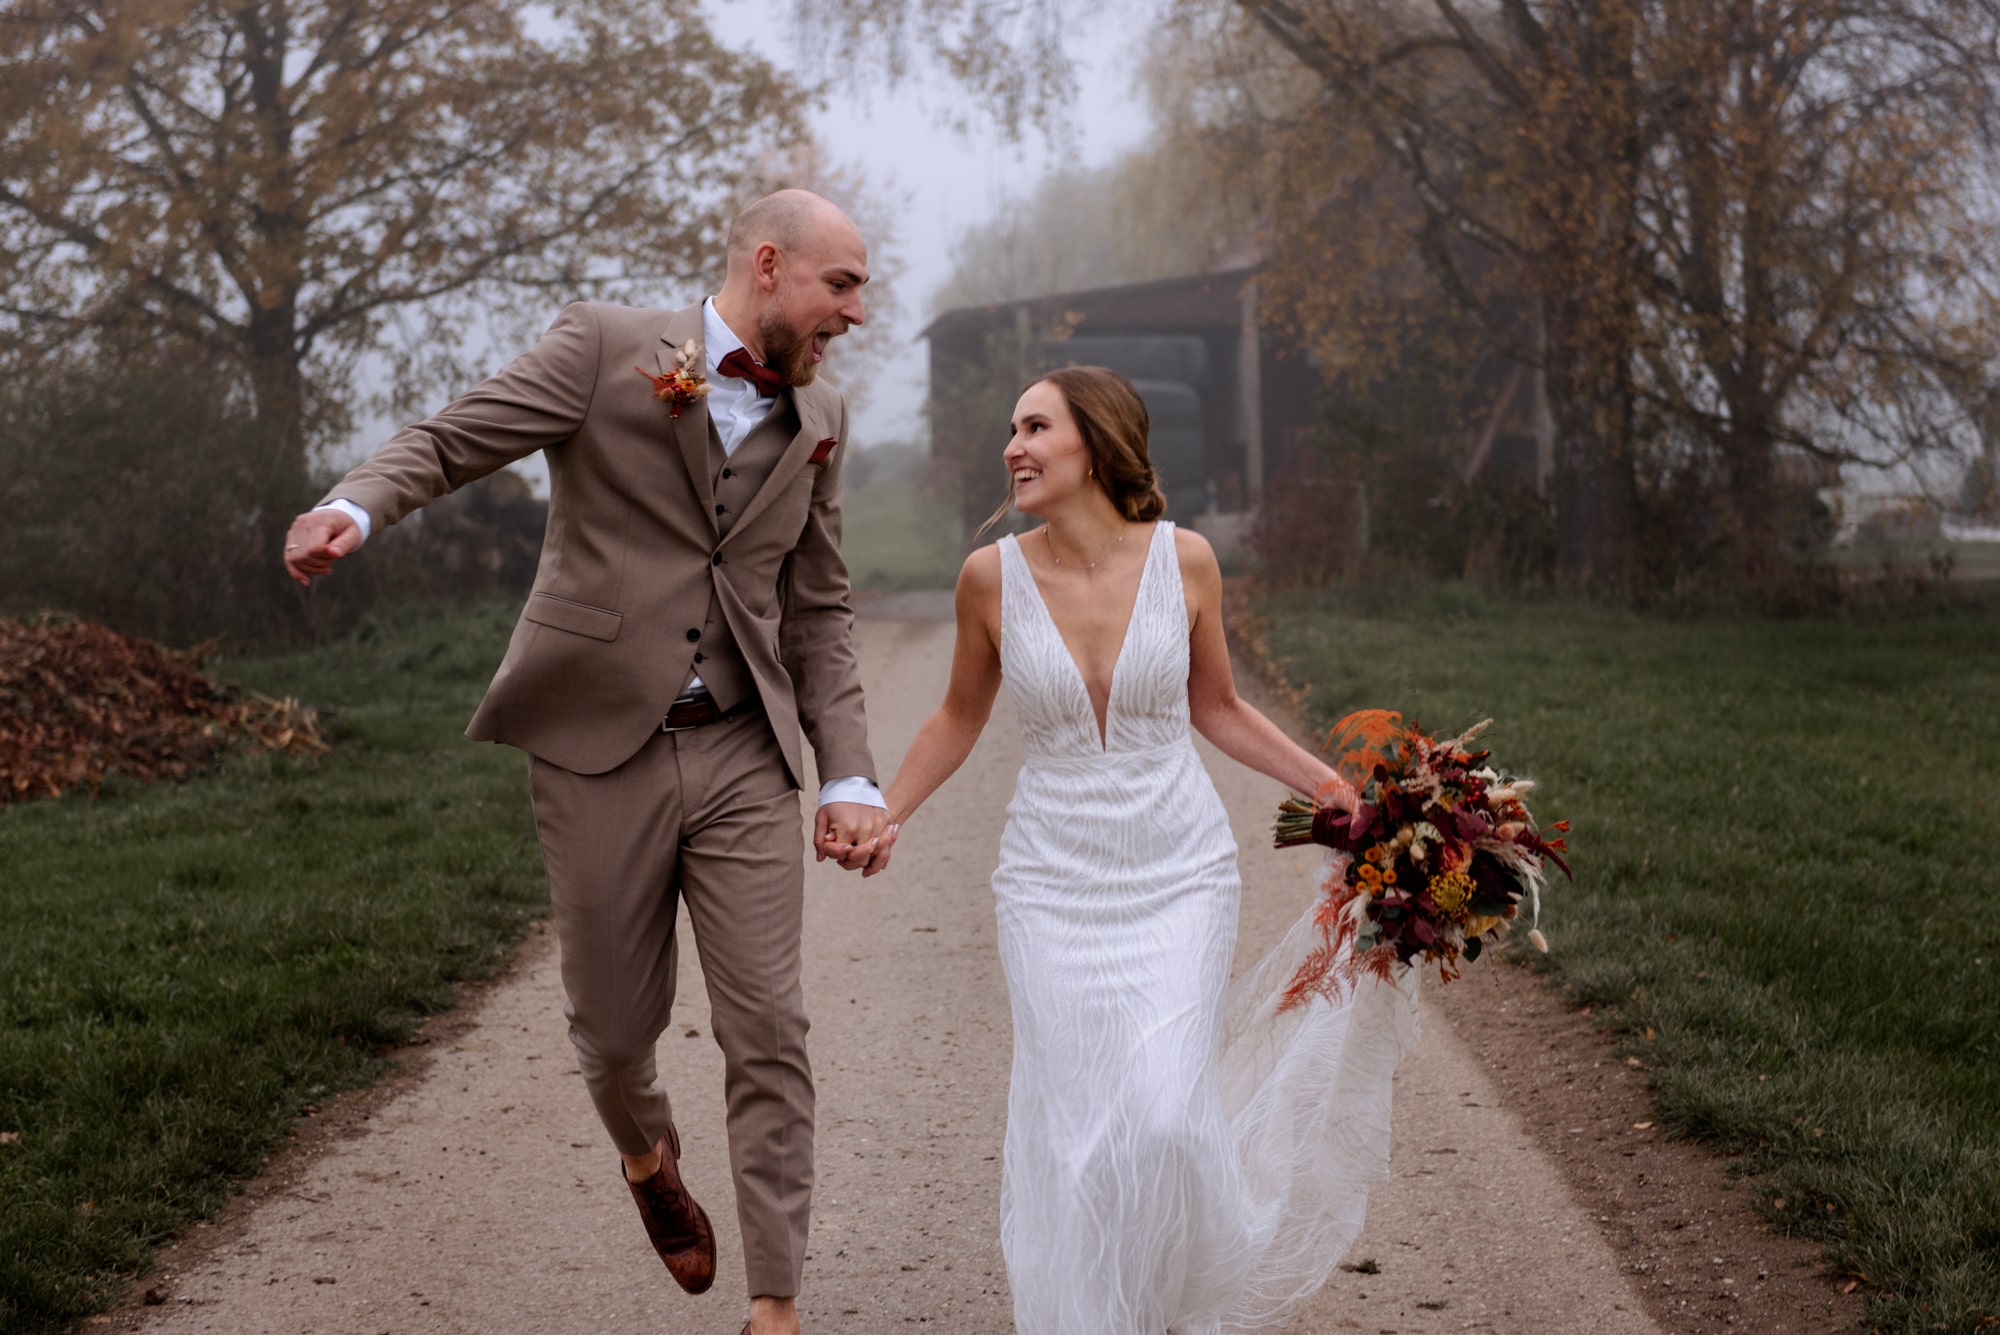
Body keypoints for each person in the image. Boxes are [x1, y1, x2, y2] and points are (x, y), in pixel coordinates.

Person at [281, 190, 888, 1335]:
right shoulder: (604, 349)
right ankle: (644, 1152)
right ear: (768, 264)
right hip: (595, 746)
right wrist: (352, 510)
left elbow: (819, 612)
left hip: (744, 755)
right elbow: (453, 439)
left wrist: (847, 771)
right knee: (614, 1037)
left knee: (770, 1028)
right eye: (841, 286)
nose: (854, 314)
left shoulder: (821, 417)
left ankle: (776, 1304)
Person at [861, 367, 1420, 1334]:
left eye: (1036, 426)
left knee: (1163, 1118)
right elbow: (957, 715)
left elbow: (1218, 706)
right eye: (1011, 428)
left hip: (1179, 874)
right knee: (1078, 1139)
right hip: (1047, 883)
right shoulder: (989, 577)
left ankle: (1165, 1300)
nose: (1014, 446)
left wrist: (1333, 788)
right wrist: (887, 811)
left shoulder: (1188, 560)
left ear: (1097, 442)